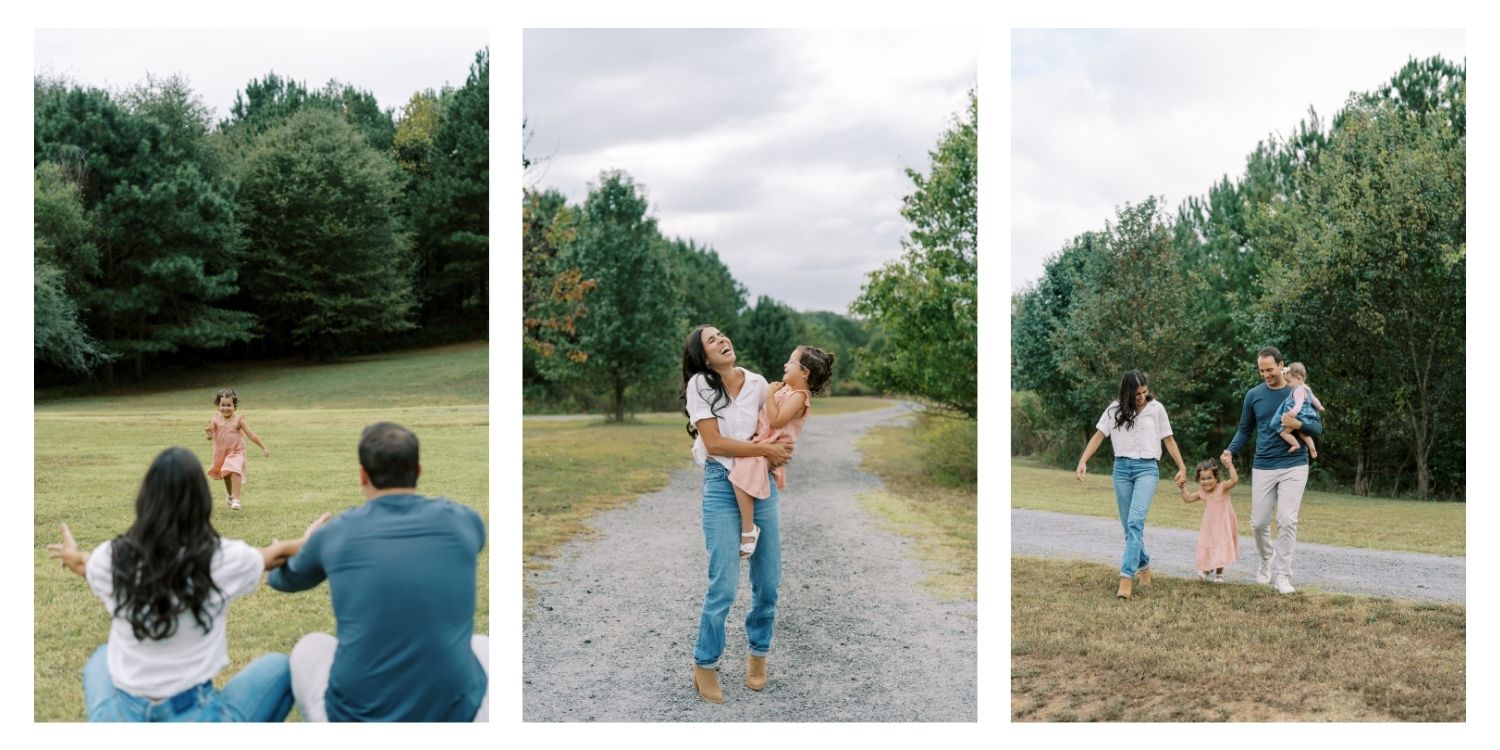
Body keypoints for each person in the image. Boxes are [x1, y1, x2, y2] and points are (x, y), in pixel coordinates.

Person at [46, 446, 326, 722]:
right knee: (278, 667)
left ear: (145, 499)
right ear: (201, 501)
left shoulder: (112, 557)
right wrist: (308, 539)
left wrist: (71, 555)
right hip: (195, 714)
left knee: (102, 657)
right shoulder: (221, 558)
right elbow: (275, 556)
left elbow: (84, 564)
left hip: (122, 715)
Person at [267, 422, 489, 722]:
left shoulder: (335, 534)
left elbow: (281, 580)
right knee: (484, 645)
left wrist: (305, 545)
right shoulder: (466, 522)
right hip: (456, 714)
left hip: (354, 717)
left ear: (362, 474)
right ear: (419, 470)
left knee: (310, 647)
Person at [682, 324, 795, 703]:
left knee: (768, 581)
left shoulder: (759, 383)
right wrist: (764, 452)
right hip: (720, 482)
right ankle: (705, 664)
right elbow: (713, 443)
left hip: (759, 481)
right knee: (724, 585)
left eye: (722, 335)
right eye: (711, 341)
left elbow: (776, 423)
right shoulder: (700, 384)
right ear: (703, 356)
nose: (722, 341)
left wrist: (777, 450)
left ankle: (758, 657)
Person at [1075, 369, 1187, 599]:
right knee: (1130, 528)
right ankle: (1144, 566)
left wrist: (1182, 467)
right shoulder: (1114, 410)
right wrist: (1083, 460)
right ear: (1127, 393)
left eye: (1145, 392)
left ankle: (1126, 578)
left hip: (1147, 469)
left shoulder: (1157, 409)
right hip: (1121, 471)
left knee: (1135, 522)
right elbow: (1098, 436)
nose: (1142, 397)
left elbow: (1169, 439)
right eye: (1137, 394)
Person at [1221, 346, 1324, 595]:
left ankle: (1283, 575)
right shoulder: (1253, 395)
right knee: (1258, 523)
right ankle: (1267, 559)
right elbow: (1245, 429)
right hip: (1264, 464)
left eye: (1269, 369)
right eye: (1261, 370)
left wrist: (1298, 423)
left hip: (1294, 464)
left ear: (1281, 365)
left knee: (1287, 520)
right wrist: (1230, 450)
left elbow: (1317, 428)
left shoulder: (1298, 390)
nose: (1266, 374)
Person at [728, 344, 836, 558]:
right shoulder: (786, 390)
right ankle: (748, 524)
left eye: (791, 362)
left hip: (774, 444)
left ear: (804, 372)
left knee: (740, 475)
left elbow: (777, 421)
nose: (785, 365)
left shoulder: (799, 396)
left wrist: (769, 393)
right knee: (742, 475)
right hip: (764, 442)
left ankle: (749, 529)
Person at [204, 387, 269, 511]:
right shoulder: (215, 419)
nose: (226, 408)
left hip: (236, 451)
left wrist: (264, 447)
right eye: (223, 405)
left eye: (229, 405)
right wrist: (209, 434)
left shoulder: (239, 420)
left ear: (235, 406)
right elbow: (211, 436)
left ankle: (236, 499)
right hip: (221, 452)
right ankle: (230, 495)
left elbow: (251, 435)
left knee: (235, 470)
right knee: (226, 474)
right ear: (218, 405)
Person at [1178, 458, 1240, 583]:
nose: (1206, 482)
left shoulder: (1222, 488)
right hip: (1209, 525)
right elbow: (1188, 499)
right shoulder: (1202, 492)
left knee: (1220, 547)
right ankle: (1207, 569)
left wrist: (1230, 465)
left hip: (1223, 524)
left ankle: (1219, 574)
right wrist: (1182, 488)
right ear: (1199, 480)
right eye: (1203, 479)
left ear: (1216, 478)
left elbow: (1234, 480)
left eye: (1209, 478)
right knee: (1209, 546)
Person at [1273, 362, 1324, 458]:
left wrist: (1292, 413)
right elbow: (1314, 399)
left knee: (1284, 433)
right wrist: (1319, 407)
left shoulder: (1297, 391)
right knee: (1302, 432)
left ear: (1299, 378)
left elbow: (1298, 404)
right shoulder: (1307, 388)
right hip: (1307, 416)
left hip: (1298, 415)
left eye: (1289, 381)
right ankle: (1312, 447)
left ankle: (1295, 444)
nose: (1287, 385)